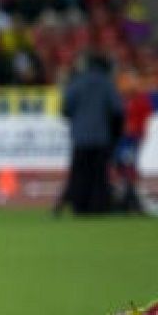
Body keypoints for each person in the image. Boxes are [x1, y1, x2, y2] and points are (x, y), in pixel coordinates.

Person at [55, 51, 123, 216]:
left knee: (79, 174)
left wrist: (77, 121)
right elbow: (117, 110)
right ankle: (99, 206)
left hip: (81, 137)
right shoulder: (107, 83)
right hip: (101, 137)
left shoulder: (77, 82)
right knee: (99, 175)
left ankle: (79, 206)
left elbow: (65, 108)